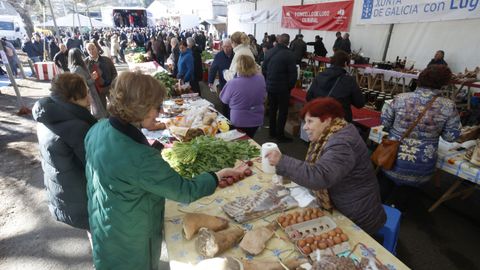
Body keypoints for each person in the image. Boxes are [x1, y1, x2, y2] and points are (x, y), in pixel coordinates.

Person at [85, 71, 246, 270]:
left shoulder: (98, 128)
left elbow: (119, 170)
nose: (159, 112)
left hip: (105, 222)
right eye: (157, 107)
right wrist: (216, 176)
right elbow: (184, 190)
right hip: (131, 237)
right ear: (139, 108)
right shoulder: (140, 157)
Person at [266, 97, 386, 234]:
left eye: (310, 121)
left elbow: (320, 176)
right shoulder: (334, 132)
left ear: (327, 120)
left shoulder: (342, 143)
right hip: (347, 203)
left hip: (358, 216)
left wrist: (282, 161)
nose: (305, 127)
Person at [379, 65, 461, 211]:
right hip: (422, 163)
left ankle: (374, 213)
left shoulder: (400, 98)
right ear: (444, 83)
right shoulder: (448, 106)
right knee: (402, 199)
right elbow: (451, 136)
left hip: (392, 156)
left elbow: (385, 121)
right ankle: (395, 214)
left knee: (383, 189)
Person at [32, 73, 97, 237]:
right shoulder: (77, 126)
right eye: (86, 93)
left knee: (92, 232)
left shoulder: (48, 114)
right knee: (98, 233)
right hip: (80, 197)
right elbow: (95, 166)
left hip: (63, 193)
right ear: (74, 97)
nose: (89, 98)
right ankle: (103, 260)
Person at [306, 50, 365, 122]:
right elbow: (360, 103)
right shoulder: (349, 80)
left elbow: (308, 97)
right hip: (339, 122)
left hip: (320, 118)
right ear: (346, 63)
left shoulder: (320, 75)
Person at [262, 33, 297, 142]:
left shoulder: (269, 52)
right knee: (282, 111)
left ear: (278, 40)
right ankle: (280, 135)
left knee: (272, 109)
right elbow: (293, 74)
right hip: (283, 89)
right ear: (288, 42)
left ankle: (272, 132)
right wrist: (289, 87)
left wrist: (268, 81)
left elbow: (264, 69)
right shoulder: (289, 54)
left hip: (271, 86)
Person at [220, 55, 266, 138]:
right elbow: (264, 96)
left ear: (238, 67)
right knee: (250, 139)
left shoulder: (233, 83)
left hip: (239, 120)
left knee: (240, 142)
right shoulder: (261, 79)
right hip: (257, 118)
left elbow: (224, 100)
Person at [69, 48, 108, 119]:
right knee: (97, 111)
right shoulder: (78, 68)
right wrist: (93, 78)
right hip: (89, 92)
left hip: (89, 92)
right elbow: (83, 83)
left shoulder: (74, 67)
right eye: (80, 55)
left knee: (96, 110)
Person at [85, 42, 118, 110]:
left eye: (93, 48)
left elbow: (114, 73)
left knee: (115, 107)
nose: (91, 51)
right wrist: (91, 78)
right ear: (86, 51)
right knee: (102, 110)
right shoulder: (85, 63)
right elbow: (84, 79)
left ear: (96, 48)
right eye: (89, 49)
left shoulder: (106, 60)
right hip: (97, 91)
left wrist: (113, 84)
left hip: (110, 87)